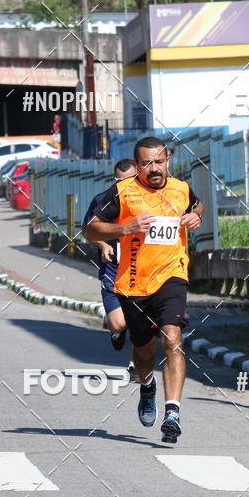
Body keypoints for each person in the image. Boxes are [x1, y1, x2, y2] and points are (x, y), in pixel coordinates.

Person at [83, 137, 204, 443]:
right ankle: (147, 385)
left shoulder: (180, 188)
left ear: (167, 162)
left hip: (172, 275)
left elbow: (197, 203)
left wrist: (196, 216)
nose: (154, 169)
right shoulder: (122, 193)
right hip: (134, 282)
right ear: (136, 166)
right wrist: (125, 228)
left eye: (159, 162)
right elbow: (90, 229)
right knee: (144, 350)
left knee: (173, 337)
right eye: (147, 163)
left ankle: (173, 412)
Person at [82, 159, 137, 371]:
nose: (125, 186)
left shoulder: (148, 201)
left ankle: (134, 365)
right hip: (113, 270)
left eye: (130, 181)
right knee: (119, 323)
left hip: (138, 271)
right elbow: (88, 231)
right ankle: (116, 332)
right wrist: (102, 244)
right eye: (119, 181)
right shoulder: (102, 201)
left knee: (138, 321)